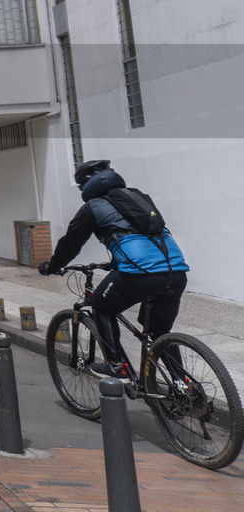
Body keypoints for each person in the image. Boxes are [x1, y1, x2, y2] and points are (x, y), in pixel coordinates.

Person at [39, 160, 190, 379]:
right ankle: (184, 386)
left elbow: (70, 243)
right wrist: (116, 263)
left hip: (139, 274)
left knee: (100, 305)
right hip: (175, 270)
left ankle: (117, 366)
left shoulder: (91, 208)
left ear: (84, 186)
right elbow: (142, 235)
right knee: (159, 332)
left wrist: (53, 266)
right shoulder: (139, 196)